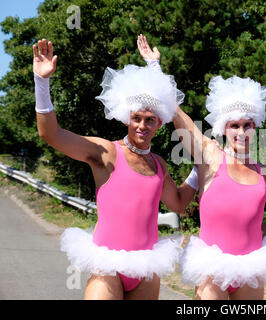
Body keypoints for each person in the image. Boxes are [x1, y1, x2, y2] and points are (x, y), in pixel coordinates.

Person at [33, 38, 196, 299]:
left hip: (146, 267)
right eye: (137, 118)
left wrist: (201, 169)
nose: (142, 125)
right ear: (127, 117)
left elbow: (177, 203)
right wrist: (42, 82)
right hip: (107, 266)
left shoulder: (158, 164)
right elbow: (50, 134)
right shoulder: (106, 153)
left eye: (150, 120)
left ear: (160, 123)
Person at [137, 35, 266, 300]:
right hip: (211, 268)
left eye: (247, 125)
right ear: (223, 127)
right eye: (234, 125)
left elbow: (250, 219)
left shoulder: (262, 171)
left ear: (256, 127)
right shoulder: (210, 155)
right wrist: (155, 69)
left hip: (251, 267)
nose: (240, 131)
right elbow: (177, 116)